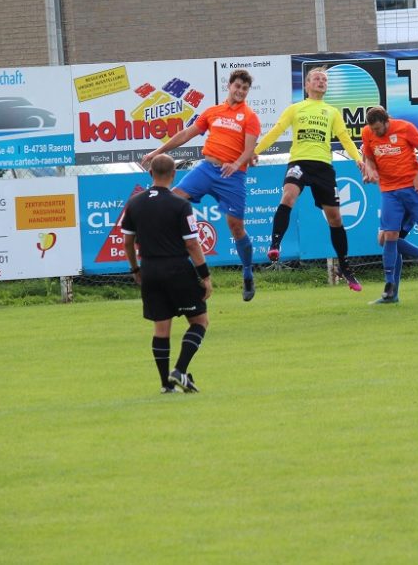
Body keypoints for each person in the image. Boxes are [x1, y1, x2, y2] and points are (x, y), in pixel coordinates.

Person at [234, 67, 366, 291]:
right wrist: (255, 151)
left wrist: (358, 160)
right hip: (300, 163)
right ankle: (275, 244)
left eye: (324, 79)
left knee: (335, 218)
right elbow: (276, 130)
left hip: (323, 167)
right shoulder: (296, 109)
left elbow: (345, 138)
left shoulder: (331, 112)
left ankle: (345, 266)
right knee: (289, 195)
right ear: (306, 85)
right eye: (316, 78)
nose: (321, 81)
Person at [141, 69, 260, 302]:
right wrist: (157, 151)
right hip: (207, 168)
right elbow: (186, 134)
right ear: (229, 85)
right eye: (237, 86)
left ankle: (247, 272)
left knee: (236, 227)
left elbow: (249, 149)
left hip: (232, 176)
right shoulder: (213, 111)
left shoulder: (249, 116)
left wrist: (236, 164)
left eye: (245, 88)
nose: (240, 91)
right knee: (171, 201)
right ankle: (181, 266)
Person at [122, 154, 213, 394]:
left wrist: (135, 269)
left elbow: (127, 243)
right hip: (177, 269)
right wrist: (205, 276)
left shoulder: (135, 203)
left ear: (151, 174)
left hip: (150, 270)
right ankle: (180, 370)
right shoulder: (180, 204)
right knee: (200, 321)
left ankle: (165, 385)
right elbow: (193, 245)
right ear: (174, 175)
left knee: (161, 329)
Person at [361, 105, 418, 304]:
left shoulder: (405, 128)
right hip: (389, 191)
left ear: (387, 121)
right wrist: (370, 171)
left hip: (413, 190)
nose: (376, 133)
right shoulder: (367, 133)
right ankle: (390, 287)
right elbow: (368, 157)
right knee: (388, 237)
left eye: (379, 129)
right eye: (373, 129)